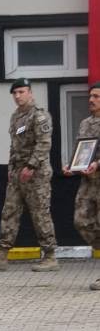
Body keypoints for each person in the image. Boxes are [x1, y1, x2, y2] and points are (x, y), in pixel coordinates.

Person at [0, 78, 59, 272]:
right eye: (15, 93)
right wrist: (11, 169)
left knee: (40, 214)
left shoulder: (39, 116)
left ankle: (50, 256)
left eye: (21, 92)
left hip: (36, 173)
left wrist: (31, 166)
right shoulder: (16, 117)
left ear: (30, 92)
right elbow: (14, 146)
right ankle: (1, 256)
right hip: (17, 174)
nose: (17, 96)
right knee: (9, 212)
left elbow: (44, 144)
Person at [63, 82, 100, 289]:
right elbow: (81, 150)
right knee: (81, 221)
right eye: (90, 96)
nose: (91, 100)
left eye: (96, 96)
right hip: (88, 181)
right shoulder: (86, 123)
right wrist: (72, 166)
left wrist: (98, 164)